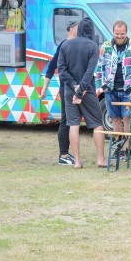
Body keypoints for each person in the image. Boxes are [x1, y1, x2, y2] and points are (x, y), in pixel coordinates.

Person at [56, 18, 105, 169]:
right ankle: (100, 159)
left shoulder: (65, 45)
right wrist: (82, 89)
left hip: (70, 91)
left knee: (73, 124)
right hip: (87, 91)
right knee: (97, 124)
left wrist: (74, 86)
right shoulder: (93, 46)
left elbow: (62, 70)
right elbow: (90, 72)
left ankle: (77, 161)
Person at [94, 20, 131, 157]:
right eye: (117, 33)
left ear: (126, 32)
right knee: (115, 119)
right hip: (110, 89)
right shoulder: (106, 46)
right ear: (113, 32)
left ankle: (127, 149)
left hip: (128, 89)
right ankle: (119, 148)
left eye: (122, 33)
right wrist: (101, 86)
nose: (119, 36)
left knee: (127, 119)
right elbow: (100, 67)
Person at [42, 20, 79, 165]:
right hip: (67, 89)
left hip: (74, 89)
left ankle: (66, 154)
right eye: (78, 27)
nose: (80, 29)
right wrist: (44, 88)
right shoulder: (64, 45)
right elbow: (52, 67)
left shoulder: (80, 43)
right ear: (71, 29)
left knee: (70, 122)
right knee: (66, 121)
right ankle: (63, 154)